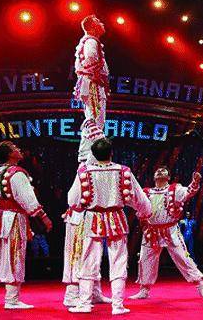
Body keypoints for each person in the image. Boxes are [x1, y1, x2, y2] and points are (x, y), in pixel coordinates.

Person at [67, 138, 151, 315]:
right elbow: (139, 197)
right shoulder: (123, 171)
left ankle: (84, 303)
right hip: (116, 217)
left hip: (93, 218)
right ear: (111, 153)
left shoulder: (84, 172)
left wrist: (81, 206)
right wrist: (145, 212)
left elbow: (73, 200)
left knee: (88, 259)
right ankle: (118, 305)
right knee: (119, 260)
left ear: (93, 155)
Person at [0, 141, 52, 309]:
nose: (19, 150)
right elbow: (28, 200)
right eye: (15, 148)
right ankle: (12, 299)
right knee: (14, 255)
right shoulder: (17, 174)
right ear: (10, 154)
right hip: (13, 219)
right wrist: (43, 217)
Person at [129, 166, 203, 300]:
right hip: (151, 232)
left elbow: (189, 192)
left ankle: (200, 285)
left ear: (168, 177)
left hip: (170, 230)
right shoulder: (146, 192)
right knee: (145, 259)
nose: (160, 172)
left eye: (164, 171)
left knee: (183, 257)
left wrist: (195, 182)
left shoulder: (174, 189)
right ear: (154, 176)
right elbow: (134, 201)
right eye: (158, 171)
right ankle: (144, 290)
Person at [62, 126, 112, 308]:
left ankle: (94, 291)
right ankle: (72, 294)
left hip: (92, 220)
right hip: (80, 218)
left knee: (94, 256)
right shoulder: (84, 170)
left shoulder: (100, 171)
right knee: (78, 255)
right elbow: (72, 199)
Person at [73, 15, 110, 163]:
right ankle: (91, 155)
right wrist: (95, 75)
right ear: (93, 26)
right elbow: (90, 58)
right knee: (95, 119)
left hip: (92, 83)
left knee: (94, 118)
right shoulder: (91, 41)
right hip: (93, 84)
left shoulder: (88, 41)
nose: (102, 23)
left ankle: (87, 154)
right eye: (99, 21)